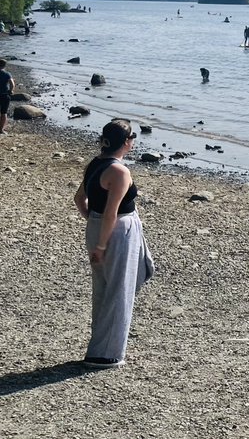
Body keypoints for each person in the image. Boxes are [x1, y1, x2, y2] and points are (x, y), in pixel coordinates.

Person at [74, 118, 155, 369]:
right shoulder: (119, 172)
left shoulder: (95, 164)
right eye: (132, 138)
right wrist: (101, 244)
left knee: (107, 287)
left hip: (100, 227)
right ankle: (105, 354)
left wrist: (94, 223)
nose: (133, 142)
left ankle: (101, 346)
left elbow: (79, 199)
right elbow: (112, 211)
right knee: (118, 290)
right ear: (127, 142)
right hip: (117, 231)